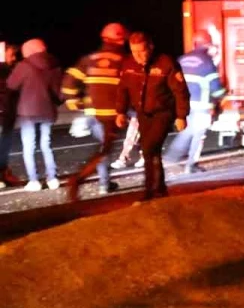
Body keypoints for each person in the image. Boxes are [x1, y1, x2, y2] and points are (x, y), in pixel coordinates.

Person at [115, 32, 188, 201]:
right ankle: (157, 190)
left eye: (141, 51)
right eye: (134, 51)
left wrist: (181, 115)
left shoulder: (166, 63)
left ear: (150, 47)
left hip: (163, 113)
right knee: (150, 152)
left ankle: (153, 189)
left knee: (149, 148)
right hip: (143, 114)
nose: (138, 56)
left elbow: (180, 91)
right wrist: (120, 111)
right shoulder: (128, 65)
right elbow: (123, 90)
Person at [62, 23, 128, 200]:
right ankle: (81, 180)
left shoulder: (90, 59)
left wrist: (74, 102)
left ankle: (104, 183)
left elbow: (69, 82)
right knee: (104, 150)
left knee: (103, 149)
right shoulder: (124, 60)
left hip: (91, 113)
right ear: (122, 40)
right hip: (111, 115)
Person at [5, 39, 64, 191]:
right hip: (48, 111)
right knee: (46, 144)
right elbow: (60, 93)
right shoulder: (55, 65)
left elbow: (11, 85)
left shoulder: (24, 66)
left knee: (28, 147)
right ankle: (52, 179)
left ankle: (34, 181)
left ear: (28, 51)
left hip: (27, 112)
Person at [166, 33, 225, 173]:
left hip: (183, 104)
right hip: (201, 106)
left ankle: (174, 160)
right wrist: (223, 95)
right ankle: (185, 163)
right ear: (207, 46)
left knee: (188, 131)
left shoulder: (182, 59)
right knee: (197, 134)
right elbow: (215, 88)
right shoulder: (206, 61)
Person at [0, 42, 20, 188]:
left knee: (4, 147)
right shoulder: (5, 71)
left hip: (7, 114)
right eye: (11, 55)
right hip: (3, 114)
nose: (13, 58)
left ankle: (3, 174)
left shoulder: (9, 70)